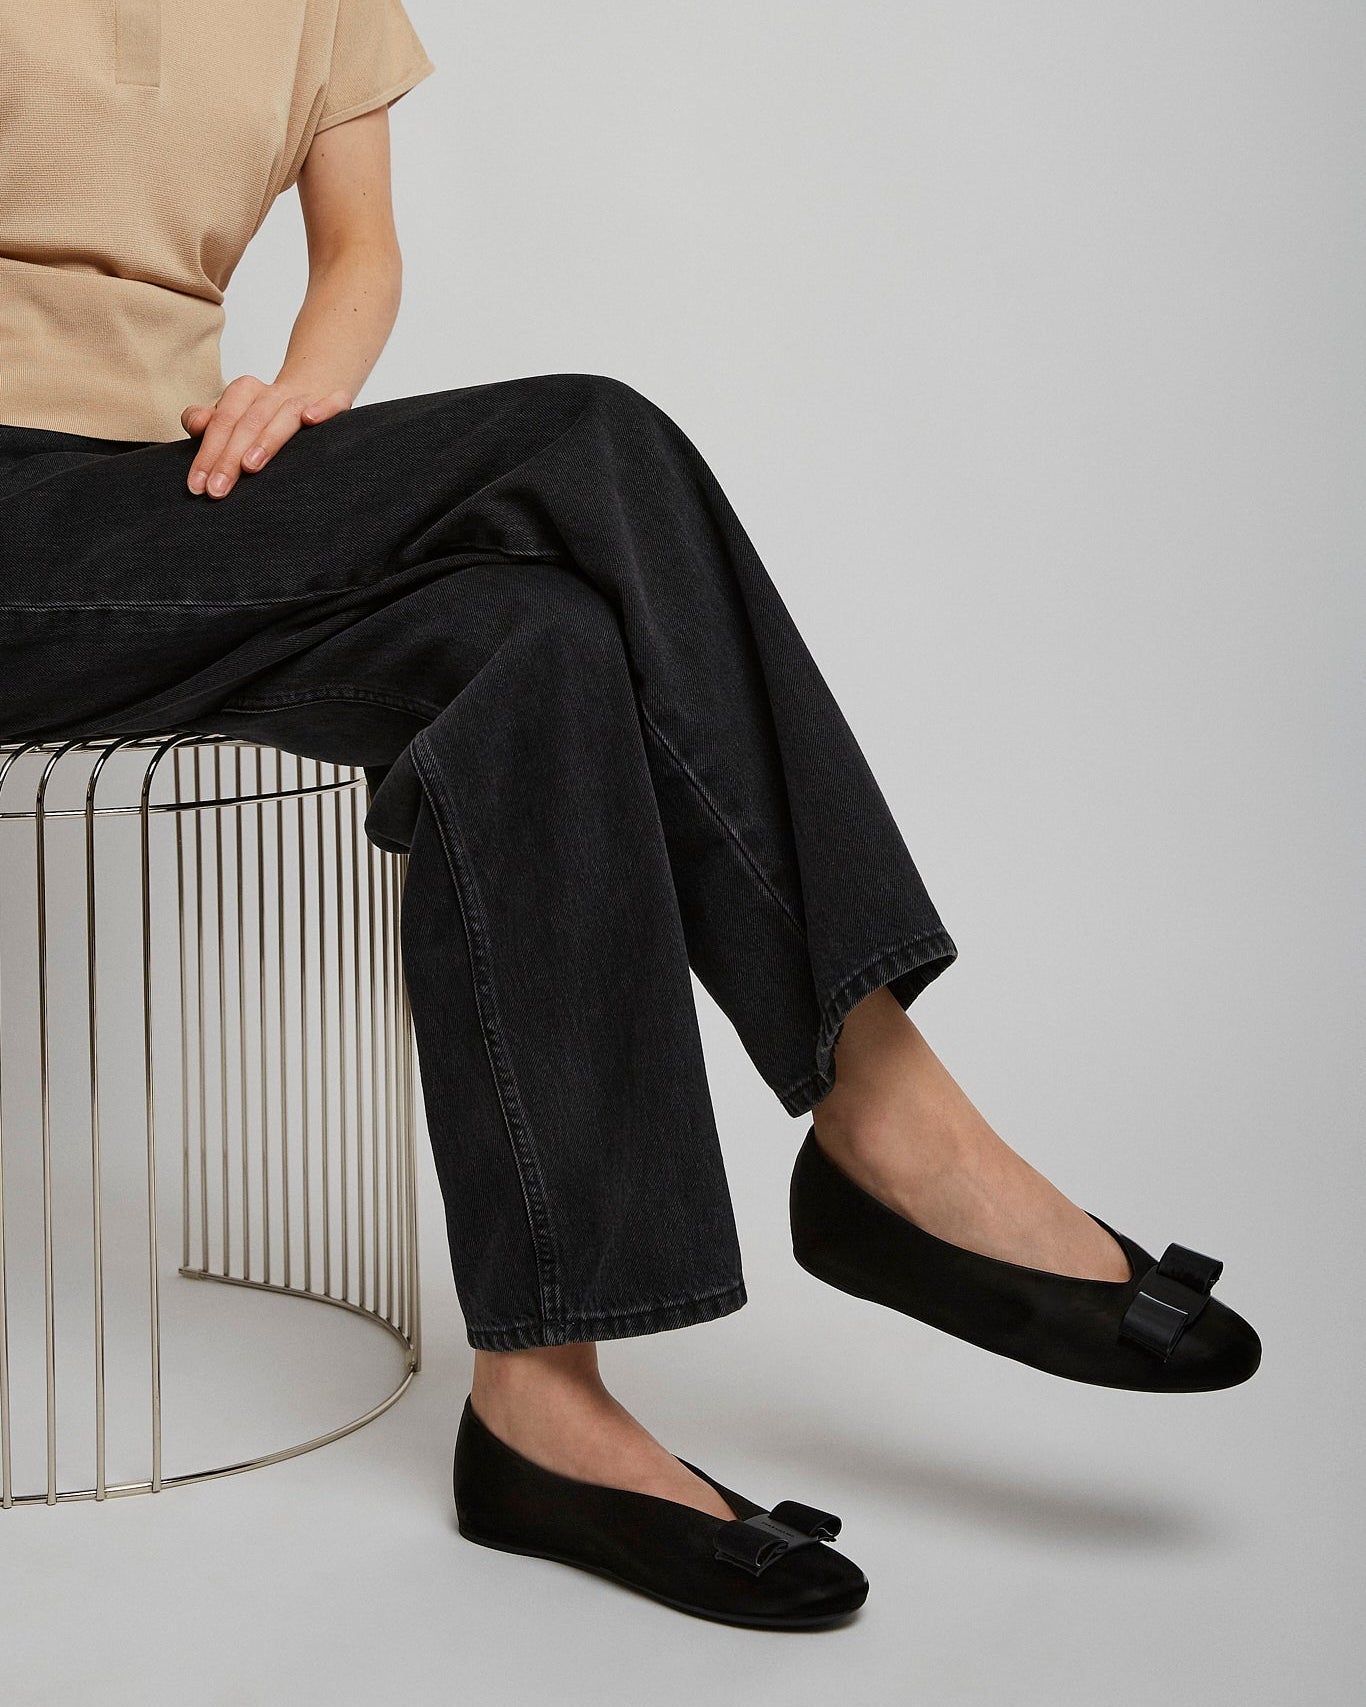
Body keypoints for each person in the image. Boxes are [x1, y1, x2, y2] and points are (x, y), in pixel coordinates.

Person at [0, 1, 1260, 1630]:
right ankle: (885, 1114)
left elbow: (359, 254)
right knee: (589, 437)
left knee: (538, 643)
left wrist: (299, 399)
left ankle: (539, 1407)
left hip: (168, 519)